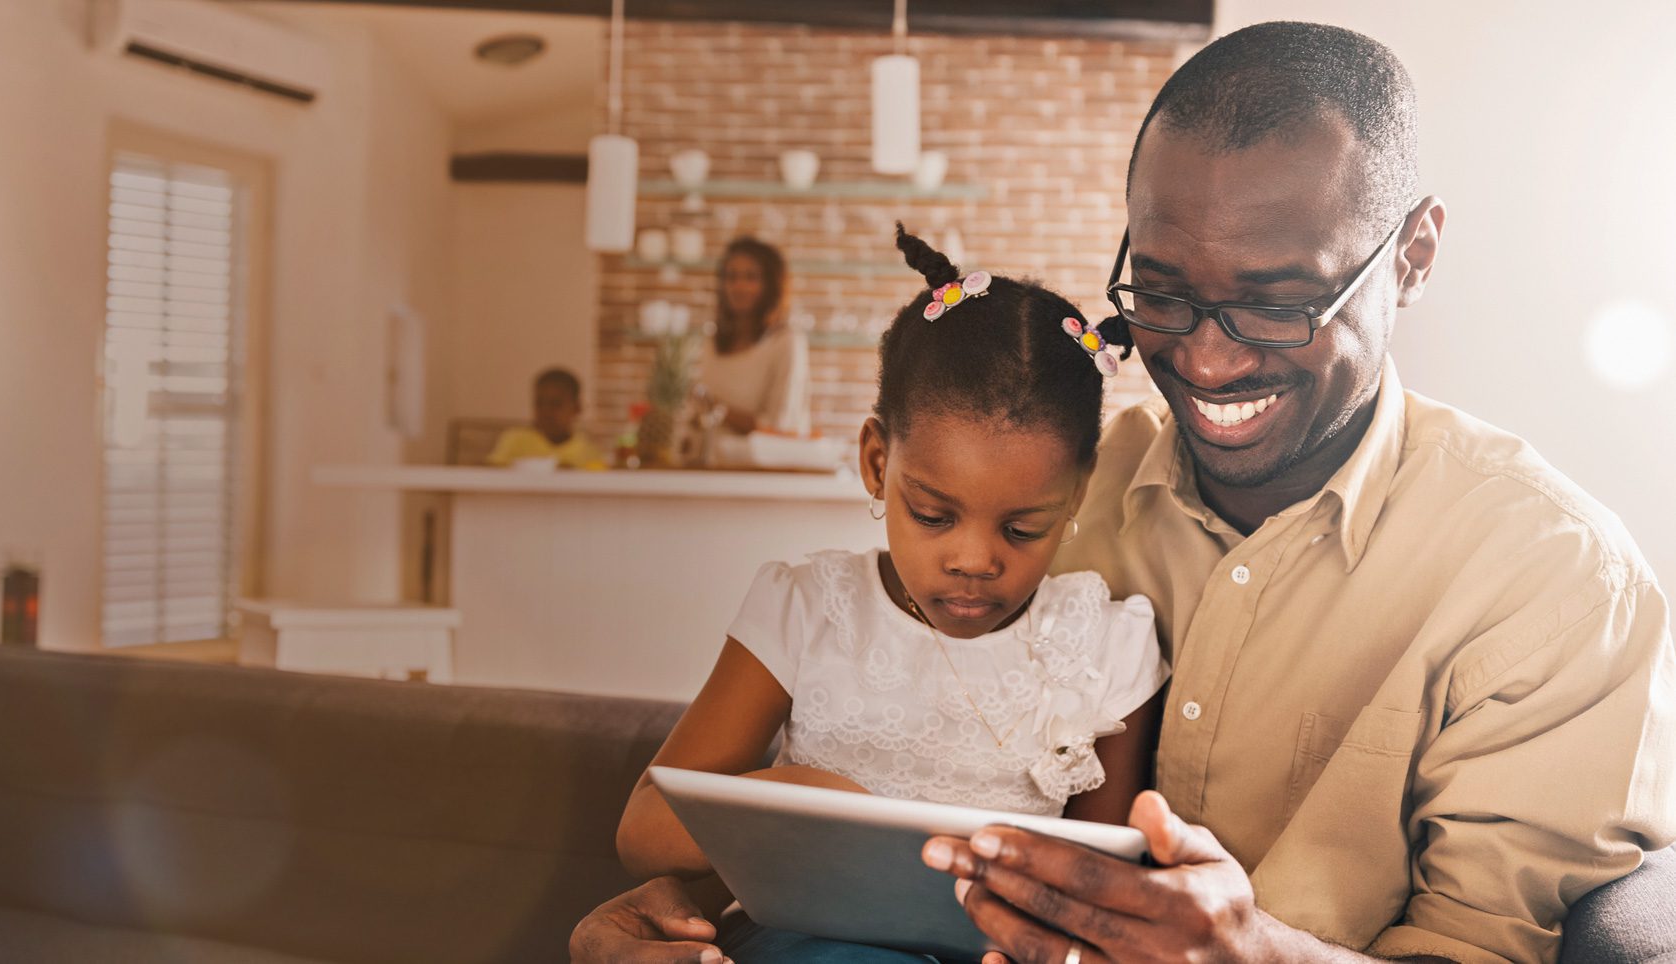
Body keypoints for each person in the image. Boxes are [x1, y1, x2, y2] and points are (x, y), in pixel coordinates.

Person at [570, 21, 1675, 964]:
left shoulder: (1555, 579)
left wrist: (1256, 952)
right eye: (1160, 291)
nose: (1204, 356)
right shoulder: (1053, 485)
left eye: (1277, 300)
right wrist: (683, 910)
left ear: (1414, 255)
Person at [614, 226, 1169, 962]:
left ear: (1076, 497)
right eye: (934, 516)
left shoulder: (1106, 645)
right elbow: (642, 831)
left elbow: (1101, 882)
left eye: (1023, 529)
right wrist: (803, 800)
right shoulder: (808, 610)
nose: (974, 560)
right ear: (877, 463)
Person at [692, 237, 811, 443]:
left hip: (762, 471)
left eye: (751, 277)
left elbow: (780, 425)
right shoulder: (712, 343)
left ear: (771, 285)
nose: (739, 286)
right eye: (731, 277)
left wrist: (718, 410)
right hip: (711, 467)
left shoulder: (786, 342)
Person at [485, 367, 605, 469]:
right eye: (539, 403)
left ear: (577, 408)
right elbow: (490, 473)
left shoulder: (588, 452)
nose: (546, 411)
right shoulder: (515, 440)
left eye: (556, 404)